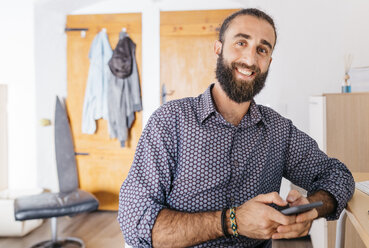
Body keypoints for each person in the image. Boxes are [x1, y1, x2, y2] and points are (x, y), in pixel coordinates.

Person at [117, 8, 355, 248]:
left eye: (262, 50)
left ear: (269, 62)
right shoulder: (169, 122)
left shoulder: (278, 130)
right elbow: (135, 224)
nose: (250, 60)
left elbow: (339, 175)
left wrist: (310, 210)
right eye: (241, 42)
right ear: (218, 48)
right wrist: (232, 221)